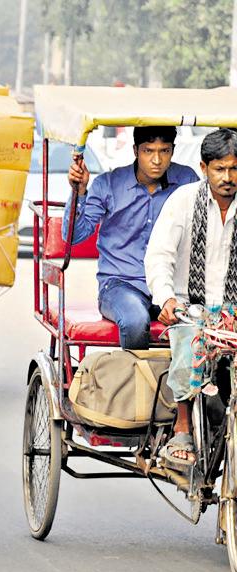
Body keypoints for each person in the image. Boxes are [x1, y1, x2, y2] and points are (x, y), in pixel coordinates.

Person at [145, 128, 237, 467]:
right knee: (188, 343)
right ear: (204, 167)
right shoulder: (183, 200)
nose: (227, 178)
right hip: (191, 306)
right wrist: (166, 298)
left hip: (233, 310)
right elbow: (159, 256)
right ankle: (182, 426)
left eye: (234, 169)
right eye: (219, 169)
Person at [65, 126, 199, 349]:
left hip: (171, 286)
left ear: (173, 151)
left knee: (202, 324)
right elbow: (74, 236)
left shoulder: (187, 181)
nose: (157, 160)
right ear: (136, 150)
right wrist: (79, 193)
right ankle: (137, 381)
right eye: (149, 151)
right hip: (121, 285)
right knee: (135, 321)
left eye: (164, 151)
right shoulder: (107, 184)